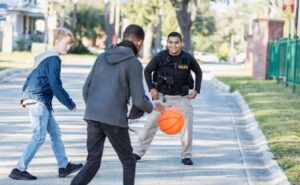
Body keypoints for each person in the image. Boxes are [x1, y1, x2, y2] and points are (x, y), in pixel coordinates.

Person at [71, 24, 165, 185]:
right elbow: (139, 100)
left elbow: (86, 88)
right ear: (139, 43)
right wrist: (152, 107)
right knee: (128, 161)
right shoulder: (133, 63)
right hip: (114, 120)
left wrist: (94, 108)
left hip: (92, 116)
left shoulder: (102, 56)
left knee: (93, 162)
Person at [9, 27, 83, 180]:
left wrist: (25, 96)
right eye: (66, 43)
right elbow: (55, 85)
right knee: (39, 136)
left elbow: (31, 77)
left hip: (40, 101)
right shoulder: (53, 59)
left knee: (55, 133)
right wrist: (69, 103)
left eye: (70, 44)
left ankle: (63, 166)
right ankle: (18, 169)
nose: (68, 47)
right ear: (57, 40)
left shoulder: (47, 57)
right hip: (38, 101)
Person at [133, 32, 203, 165]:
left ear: (181, 43)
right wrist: (151, 88)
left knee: (187, 126)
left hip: (181, 98)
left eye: (176, 42)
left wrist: (196, 90)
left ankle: (186, 155)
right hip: (162, 98)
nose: (173, 45)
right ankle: (137, 152)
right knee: (150, 125)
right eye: (170, 42)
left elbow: (198, 72)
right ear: (167, 43)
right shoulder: (160, 57)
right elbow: (147, 71)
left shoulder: (187, 58)